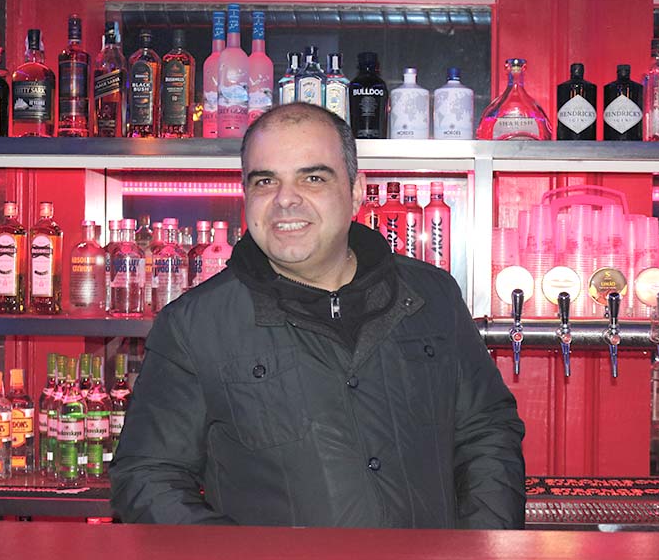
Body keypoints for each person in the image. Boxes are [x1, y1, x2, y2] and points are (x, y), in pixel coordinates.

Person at [109, 102, 526, 528]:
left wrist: (483, 544)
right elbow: (147, 477)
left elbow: (487, 432)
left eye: (313, 178)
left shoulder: (432, 296)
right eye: (266, 181)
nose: (286, 199)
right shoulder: (193, 326)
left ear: (356, 190)